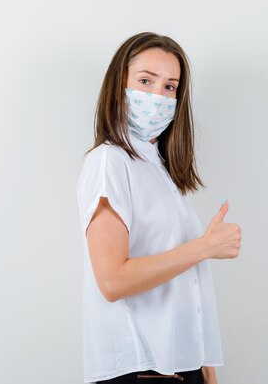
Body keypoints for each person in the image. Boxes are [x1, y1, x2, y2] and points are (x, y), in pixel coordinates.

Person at [76, 32, 242, 384]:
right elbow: (112, 280)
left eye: (170, 87)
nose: (158, 96)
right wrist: (204, 247)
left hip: (181, 365)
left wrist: (205, 368)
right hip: (141, 369)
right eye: (145, 81)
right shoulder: (110, 161)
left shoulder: (158, 167)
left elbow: (184, 288)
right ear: (118, 84)